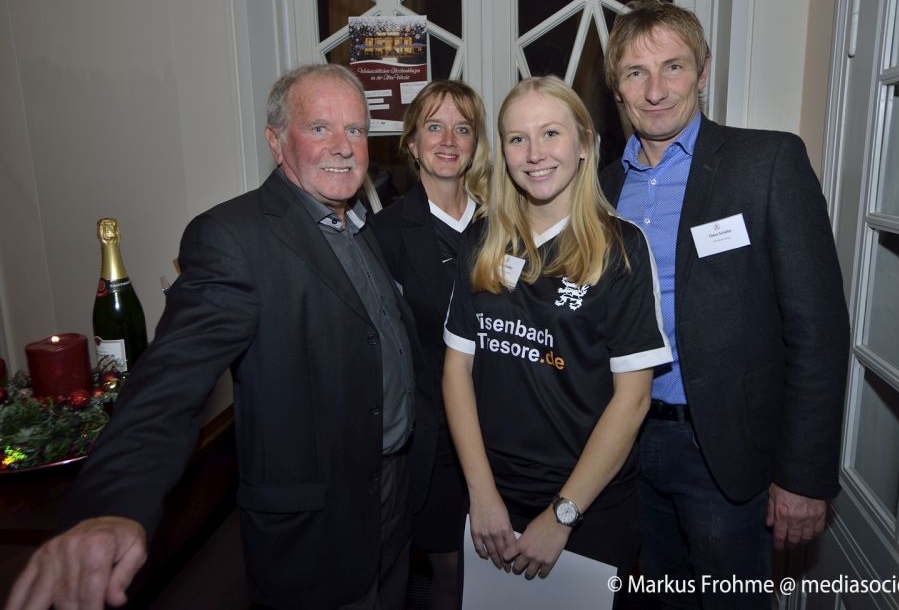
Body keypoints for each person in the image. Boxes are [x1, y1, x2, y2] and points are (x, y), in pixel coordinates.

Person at [5, 63, 425, 610]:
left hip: (391, 492)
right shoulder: (233, 237)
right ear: (276, 141)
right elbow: (168, 381)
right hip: (318, 526)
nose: (344, 147)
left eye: (357, 130)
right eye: (320, 128)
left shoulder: (360, 223)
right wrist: (110, 506)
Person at [598, 0, 851, 608]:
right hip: (623, 445)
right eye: (635, 72)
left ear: (703, 70)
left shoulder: (766, 163)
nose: (656, 90)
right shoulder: (601, 187)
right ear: (617, 88)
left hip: (724, 455)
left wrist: (803, 476)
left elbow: (818, 328)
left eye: (673, 67)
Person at [441, 76, 673, 596]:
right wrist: (481, 494)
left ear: (584, 144)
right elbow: (457, 370)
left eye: (551, 133)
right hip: (492, 497)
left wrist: (563, 513)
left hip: (588, 505)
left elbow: (633, 400)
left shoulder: (622, 248)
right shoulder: (481, 240)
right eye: (517, 138)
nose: (534, 153)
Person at [369, 80, 491, 610]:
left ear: (475, 144)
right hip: (435, 439)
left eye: (462, 129)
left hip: (507, 434)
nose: (448, 140)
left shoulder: (502, 223)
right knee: (454, 575)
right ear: (412, 143)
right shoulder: (385, 235)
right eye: (434, 127)